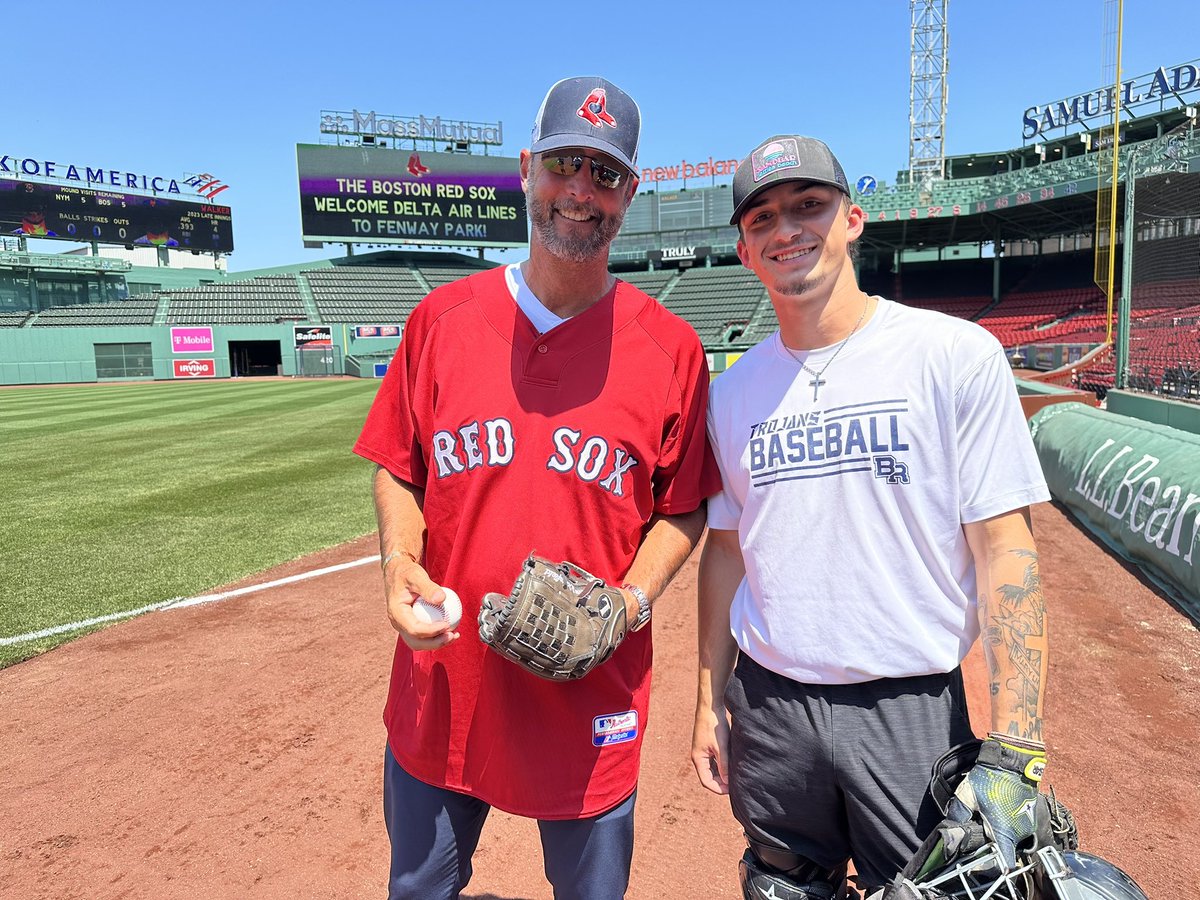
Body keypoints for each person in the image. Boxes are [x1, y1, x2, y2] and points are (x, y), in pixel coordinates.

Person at [353, 76, 719, 900]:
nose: (581, 192)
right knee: (418, 890)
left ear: (631, 192)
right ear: (527, 168)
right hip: (447, 684)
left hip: (592, 696)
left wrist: (629, 601)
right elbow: (399, 466)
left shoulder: (672, 351)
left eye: (607, 173)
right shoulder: (440, 321)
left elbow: (683, 506)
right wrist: (398, 564)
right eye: (565, 164)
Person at [690, 135, 1052, 899]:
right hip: (771, 702)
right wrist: (707, 704)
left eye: (808, 206)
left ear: (853, 219)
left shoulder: (953, 354)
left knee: (932, 887)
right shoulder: (731, 393)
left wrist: (1018, 743)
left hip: (910, 705)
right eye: (763, 219)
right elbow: (725, 552)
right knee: (781, 886)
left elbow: (1004, 549)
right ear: (745, 250)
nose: (786, 228)